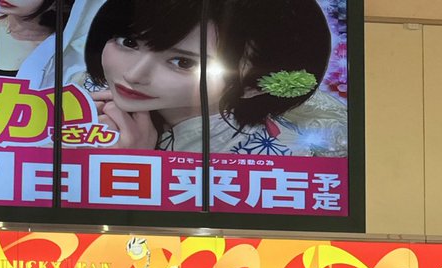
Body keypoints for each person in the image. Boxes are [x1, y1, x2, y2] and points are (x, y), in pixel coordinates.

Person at [79, 0, 346, 155]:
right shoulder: (86, 92)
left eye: (183, 62)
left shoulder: (275, 155)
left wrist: (133, 164)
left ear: (255, 85)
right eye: (128, 42)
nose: (133, 74)